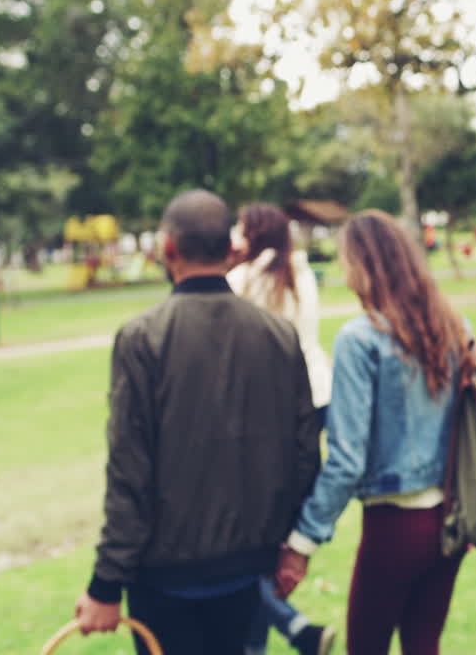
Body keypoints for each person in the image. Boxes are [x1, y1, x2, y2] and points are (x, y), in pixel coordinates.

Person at [74, 190, 322, 655]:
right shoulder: (277, 335)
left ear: (167, 249)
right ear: (230, 250)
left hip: (168, 576)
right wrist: (285, 541)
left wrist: (106, 584)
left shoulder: (142, 338)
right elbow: (305, 453)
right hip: (248, 567)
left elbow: (130, 472)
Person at [275, 210, 468, 655]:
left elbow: (345, 461)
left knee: (366, 646)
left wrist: (301, 542)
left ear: (361, 264)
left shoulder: (360, 339)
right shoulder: (452, 327)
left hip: (395, 523)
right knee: (423, 645)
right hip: (454, 520)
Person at [227, 203, 336, 655]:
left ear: (253, 233)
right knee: (268, 543)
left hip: (268, 414)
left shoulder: (243, 280)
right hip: (316, 396)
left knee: (247, 543)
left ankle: (289, 630)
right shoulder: (299, 271)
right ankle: (289, 630)